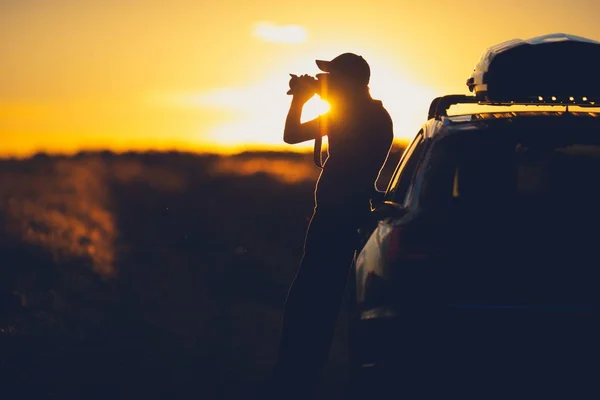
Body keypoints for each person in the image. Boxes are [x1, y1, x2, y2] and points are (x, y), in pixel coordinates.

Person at [268, 53, 394, 399]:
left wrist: (302, 98)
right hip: (347, 216)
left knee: (308, 305)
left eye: (334, 77)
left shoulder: (354, 115)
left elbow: (291, 134)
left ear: (349, 82)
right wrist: (318, 95)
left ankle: (294, 380)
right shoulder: (374, 115)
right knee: (319, 304)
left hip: (335, 219)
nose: (329, 82)